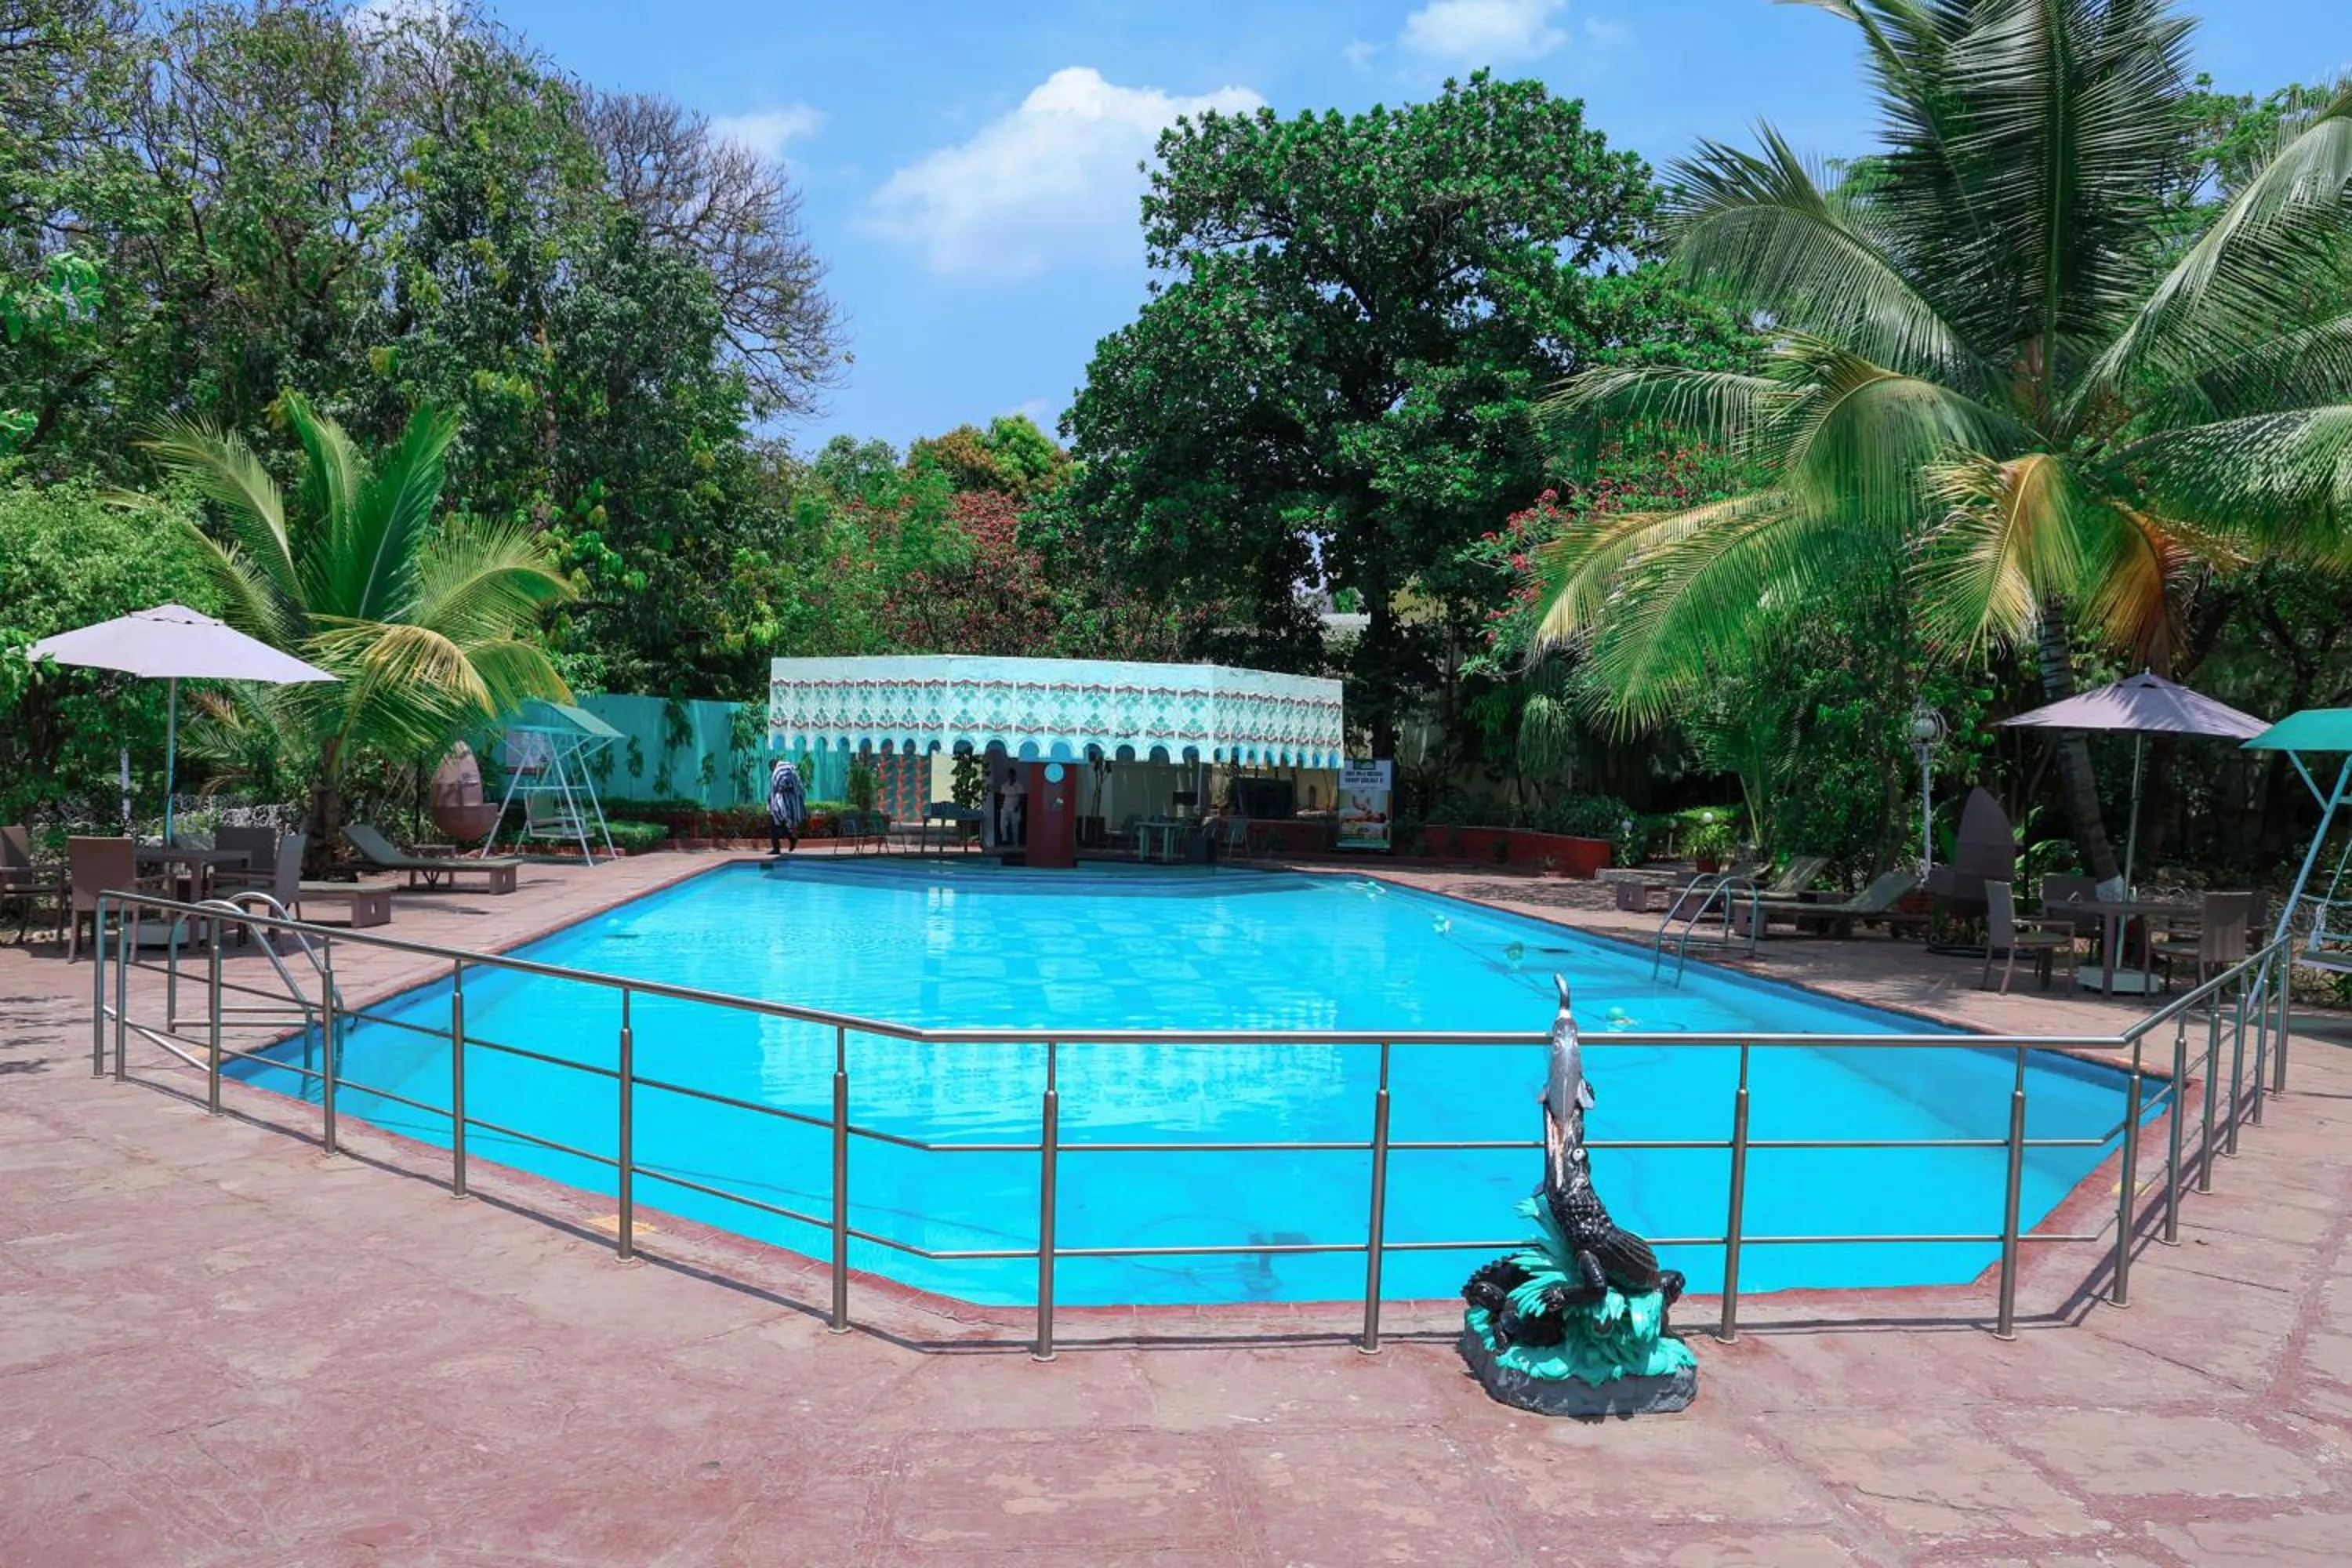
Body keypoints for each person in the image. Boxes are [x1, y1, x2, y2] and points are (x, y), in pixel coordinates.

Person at [767, 757, 807, 855]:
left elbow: (774, 789)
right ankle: (790, 839)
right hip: (791, 803)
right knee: (780, 824)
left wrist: (771, 803)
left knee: (775, 824)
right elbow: (799, 787)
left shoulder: (777, 772)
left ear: (773, 766)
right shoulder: (791, 770)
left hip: (780, 804)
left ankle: (780, 846)